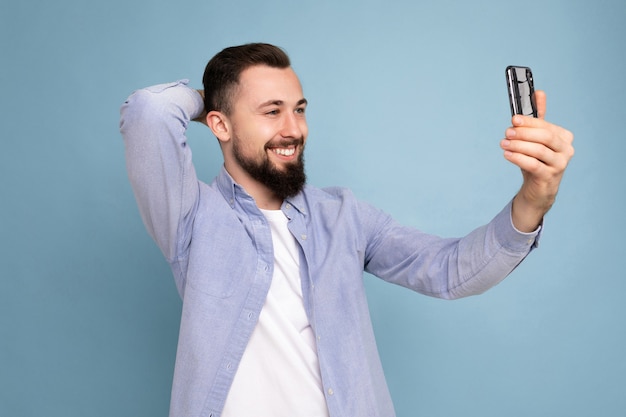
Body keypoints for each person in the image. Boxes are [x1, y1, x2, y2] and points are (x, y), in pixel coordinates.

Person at [119, 43, 574, 417]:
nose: (293, 129)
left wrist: (535, 197)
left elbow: (451, 271)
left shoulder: (344, 215)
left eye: (299, 109)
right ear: (219, 124)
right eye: (271, 111)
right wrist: (211, 100)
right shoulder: (192, 218)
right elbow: (149, 111)